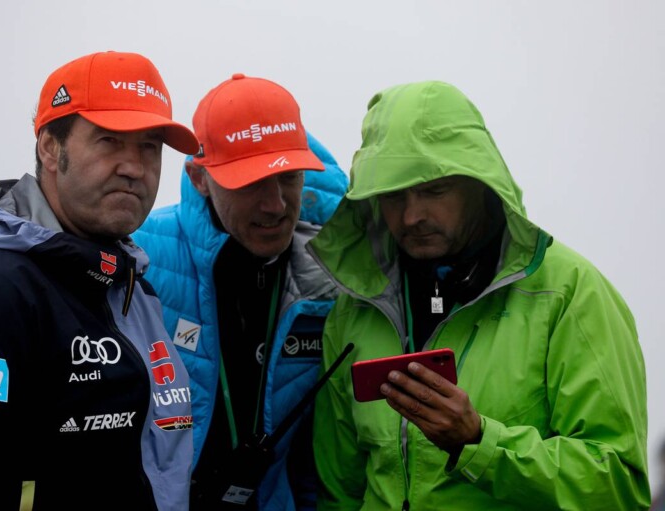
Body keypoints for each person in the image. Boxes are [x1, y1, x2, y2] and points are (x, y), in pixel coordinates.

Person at [309, 81, 651, 510]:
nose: (412, 215)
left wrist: (478, 442)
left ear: (480, 184)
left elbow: (618, 484)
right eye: (393, 196)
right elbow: (338, 493)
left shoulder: (570, 293)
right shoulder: (353, 309)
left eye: (433, 190)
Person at [0, 51, 198, 511]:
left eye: (149, 146)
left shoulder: (133, 288)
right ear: (49, 146)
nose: (134, 167)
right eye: (109, 140)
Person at [132, 73, 348, 510]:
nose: (276, 205)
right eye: (250, 183)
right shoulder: (138, 256)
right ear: (199, 178)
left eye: (288, 178)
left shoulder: (331, 276)